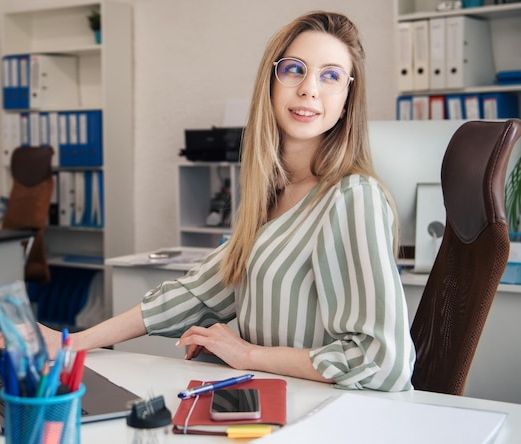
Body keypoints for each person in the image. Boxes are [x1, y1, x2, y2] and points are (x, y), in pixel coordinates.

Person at [36, 10, 416, 392]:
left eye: (331, 75)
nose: (309, 89)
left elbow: (383, 360)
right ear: (271, 81)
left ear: (348, 98)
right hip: (274, 406)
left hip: (338, 418)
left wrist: (246, 354)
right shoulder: (272, 196)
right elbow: (195, 293)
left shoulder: (352, 197)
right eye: (294, 69)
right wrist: (72, 343)